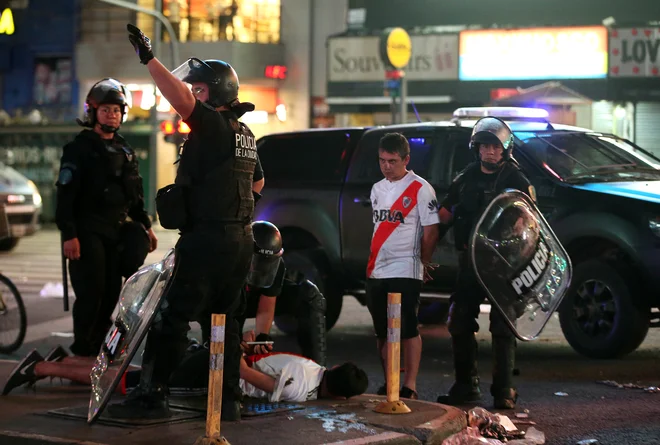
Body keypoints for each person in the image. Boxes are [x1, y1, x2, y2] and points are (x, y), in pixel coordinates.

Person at [108, 24, 259, 421]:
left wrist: (149, 60)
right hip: (239, 241)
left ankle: (151, 397)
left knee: (171, 318)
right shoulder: (244, 133)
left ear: (216, 94)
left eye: (201, 89)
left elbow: (177, 98)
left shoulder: (211, 125)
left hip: (207, 240)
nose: (194, 93)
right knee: (223, 323)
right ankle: (227, 401)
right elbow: (258, 181)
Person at [435, 117, 536, 410]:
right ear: (476, 149)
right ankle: (466, 386)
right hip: (470, 263)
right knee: (458, 321)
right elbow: (444, 215)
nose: (489, 152)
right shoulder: (464, 179)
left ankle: (504, 389)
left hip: (503, 265)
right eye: (484, 146)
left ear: (505, 149)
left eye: (495, 146)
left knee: (503, 326)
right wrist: (423, 243)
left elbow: (530, 225)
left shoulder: (517, 182)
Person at [56, 78, 158, 358]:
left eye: (116, 110)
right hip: (87, 230)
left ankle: (100, 342)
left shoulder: (125, 150)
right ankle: (82, 347)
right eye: (106, 109)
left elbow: (134, 195)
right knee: (92, 290)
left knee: (113, 289)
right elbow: (65, 196)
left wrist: (146, 227)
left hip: (116, 229)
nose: (111, 114)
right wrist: (69, 235)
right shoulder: (78, 148)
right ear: (93, 112)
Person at [3, 344, 368, 404]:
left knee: (126, 371)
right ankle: (39, 367)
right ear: (338, 396)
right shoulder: (298, 388)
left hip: (205, 360)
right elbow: (242, 373)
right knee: (123, 381)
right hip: (205, 370)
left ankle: (61, 362)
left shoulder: (311, 367)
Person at [366, 133, 440, 400]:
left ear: (406, 159)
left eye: (392, 161)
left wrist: (424, 262)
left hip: (406, 269)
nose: (387, 166)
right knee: (382, 330)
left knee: (407, 328)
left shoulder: (420, 189)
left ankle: (409, 384)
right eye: (382, 160)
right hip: (376, 270)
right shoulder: (376, 189)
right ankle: (391, 381)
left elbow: (431, 230)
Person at [238, 221, 328, 366]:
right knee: (228, 347)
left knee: (310, 295)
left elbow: (267, 301)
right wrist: (234, 338)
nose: (259, 267)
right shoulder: (230, 262)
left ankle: (317, 371)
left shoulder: (276, 265)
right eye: (256, 262)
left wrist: (262, 337)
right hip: (226, 304)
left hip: (251, 299)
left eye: (266, 263)